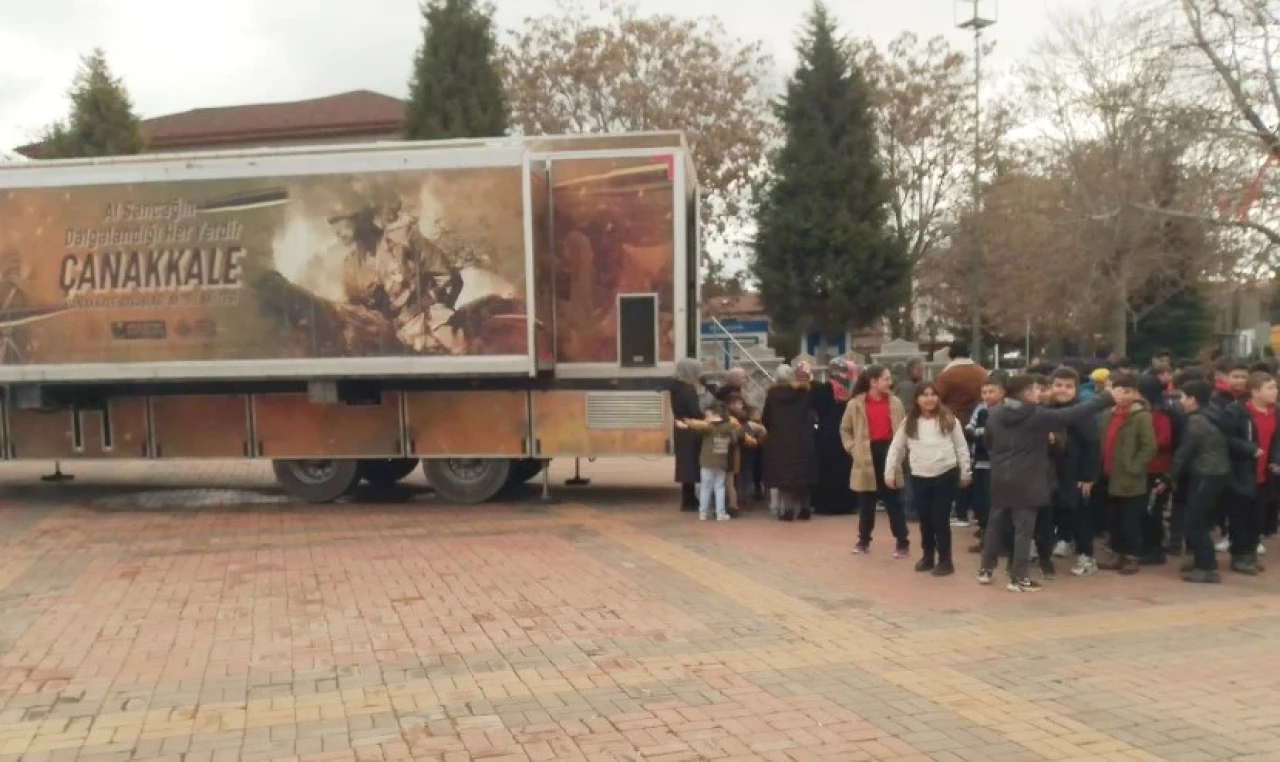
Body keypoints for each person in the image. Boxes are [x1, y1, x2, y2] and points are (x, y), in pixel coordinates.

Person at [978, 374, 1113, 592]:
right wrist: (1106, 398)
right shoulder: (1036, 415)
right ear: (1024, 392)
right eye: (1034, 389)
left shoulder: (995, 414)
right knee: (1024, 529)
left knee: (995, 523)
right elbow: (1073, 413)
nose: (1039, 392)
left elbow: (988, 442)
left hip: (1001, 476)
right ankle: (1018, 577)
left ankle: (985, 569)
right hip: (1028, 478)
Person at [885, 382, 972, 577]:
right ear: (917, 399)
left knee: (940, 519)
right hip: (920, 476)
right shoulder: (909, 423)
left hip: (945, 474)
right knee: (924, 519)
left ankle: (945, 560)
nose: (929, 398)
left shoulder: (950, 420)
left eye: (933, 394)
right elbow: (896, 448)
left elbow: (961, 447)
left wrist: (965, 472)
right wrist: (890, 472)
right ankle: (927, 555)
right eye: (924, 395)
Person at [1160, 380, 1230, 582]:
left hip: (1207, 472)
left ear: (1193, 400)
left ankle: (1206, 567)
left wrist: (1168, 476)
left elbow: (1184, 453)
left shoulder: (1196, 420)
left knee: (1194, 521)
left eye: (1183, 397)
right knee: (1200, 519)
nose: (1180, 401)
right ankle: (1203, 560)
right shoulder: (1213, 412)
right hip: (1216, 472)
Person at [841, 365, 910, 556]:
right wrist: (852, 448)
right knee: (866, 502)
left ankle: (902, 541)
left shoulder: (895, 403)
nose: (890, 382)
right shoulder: (855, 404)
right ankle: (863, 540)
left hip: (889, 452)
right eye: (886, 379)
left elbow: (904, 428)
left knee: (894, 500)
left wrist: (901, 451)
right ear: (873, 382)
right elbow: (845, 429)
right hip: (865, 453)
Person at [1096, 373, 1157, 575]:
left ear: (1136, 393)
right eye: (1118, 391)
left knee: (1130, 520)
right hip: (1108, 474)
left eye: (1128, 391)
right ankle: (1116, 553)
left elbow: (1148, 447)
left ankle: (1132, 556)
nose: (1122, 396)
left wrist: (1134, 467)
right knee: (1114, 519)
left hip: (1129, 477)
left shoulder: (1141, 417)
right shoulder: (1108, 414)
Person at [1044, 367, 1102, 577]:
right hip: (1052, 472)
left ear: (1077, 389)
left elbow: (1093, 445)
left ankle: (1086, 555)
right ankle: (1062, 540)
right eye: (1058, 385)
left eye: (1068, 387)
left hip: (1075, 473)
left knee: (1080, 514)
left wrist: (1088, 476)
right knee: (1057, 510)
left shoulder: (1082, 412)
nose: (1062, 390)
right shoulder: (1047, 409)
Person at [675, 403, 762, 522]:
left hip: (706, 462)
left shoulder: (709, 428)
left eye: (708, 415)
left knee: (706, 488)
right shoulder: (729, 427)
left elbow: (698, 426)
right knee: (719, 487)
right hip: (721, 462)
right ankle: (720, 513)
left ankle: (703, 512)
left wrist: (686, 424)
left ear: (715, 415)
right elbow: (740, 432)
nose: (706, 418)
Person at [761, 364, 820, 521]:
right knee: (804, 475)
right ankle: (805, 508)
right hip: (803, 439)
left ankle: (787, 510)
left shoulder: (772, 396)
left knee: (783, 477)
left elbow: (765, 418)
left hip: (780, 441)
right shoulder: (803, 393)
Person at [1137, 373, 1176, 565]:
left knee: (1153, 511)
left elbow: (1164, 440)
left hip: (1156, 469)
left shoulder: (1160, 414)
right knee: (1144, 510)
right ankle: (1146, 545)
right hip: (1143, 468)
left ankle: (1155, 549)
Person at [810, 358, 858, 515]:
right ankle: (845, 503)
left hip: (825, 433)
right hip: (844, 433)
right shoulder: (850, 391)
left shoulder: (821, 389)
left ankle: (826, 504)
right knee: (843, 469)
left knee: (827, 469)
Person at [965, 374, 1004, 553]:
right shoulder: (981, 410)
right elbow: (970, 431)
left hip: (996, 464)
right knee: (980, 503)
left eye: (991, 391)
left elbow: (992, 436)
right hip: (979, 462)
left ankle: (997, 543)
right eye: (984, 392)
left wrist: (981, 433)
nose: (987, 395)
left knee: (993, 504)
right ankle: (985, 537)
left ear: (1002, 392)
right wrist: (981, 433)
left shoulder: (1005, 411)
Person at [670, 358, 704, 511]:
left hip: (681, 427)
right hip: (689, 428)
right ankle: (689, 500)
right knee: (690, 463)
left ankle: (688, 497)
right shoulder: (687, 389)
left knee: (686, 463)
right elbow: (695, 411)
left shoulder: (677, 387)